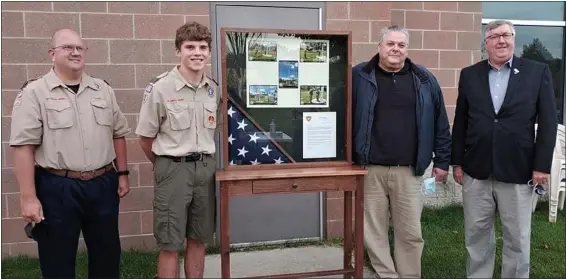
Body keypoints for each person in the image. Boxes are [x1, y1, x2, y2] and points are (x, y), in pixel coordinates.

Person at [9, 28, 131, 278]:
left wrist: (123, 174)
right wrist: (28, 197)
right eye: (67, 47)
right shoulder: (35, 93)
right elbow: (23, 147)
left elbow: (118, 133)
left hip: (102, 183)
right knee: (57, 259)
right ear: (52, 54)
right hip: (57, 187)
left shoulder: (103, 90)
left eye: (79, 47)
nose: (75, 52)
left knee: (107, 255)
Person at [451, 20, 557, 278]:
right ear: (485, 42)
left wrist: (541, 165)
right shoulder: (470, 74)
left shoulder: (537, 72)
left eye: (507, 35)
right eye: (495, 36)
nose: (501, 40)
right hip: (477, 170)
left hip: (519, 169)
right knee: (476, 237)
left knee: (517, 239)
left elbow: (548, 122)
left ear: (514, 39)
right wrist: (457, 162)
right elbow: (462, 120)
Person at [352, 25, 451, 278]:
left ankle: (409, 275)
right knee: (373, 230)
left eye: (401, 45)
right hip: (369, 168)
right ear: (379, 47)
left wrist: (442, 161)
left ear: (407, 49)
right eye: (390, 44)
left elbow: (440, 122)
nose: (396, 49)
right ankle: (387, 274)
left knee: (410, 231)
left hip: (408, 169)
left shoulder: (425, 80)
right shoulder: (359, 76)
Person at [136, 22, 221, 279]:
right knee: (170, 242)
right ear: (178, 51)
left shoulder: (212, 89)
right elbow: (145, 137)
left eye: (203, 47)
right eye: (190, 47)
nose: (197, 52)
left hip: (205, 170)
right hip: (173, 168)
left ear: (209, 51)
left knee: (199, 239)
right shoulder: (160, 88)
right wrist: (166, 164)